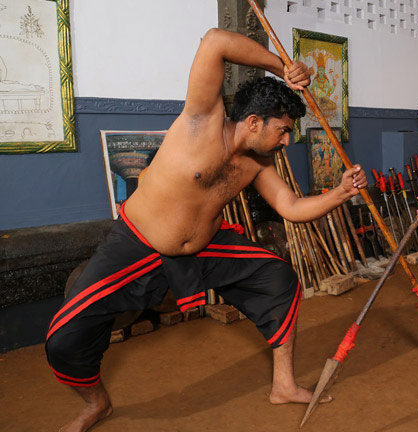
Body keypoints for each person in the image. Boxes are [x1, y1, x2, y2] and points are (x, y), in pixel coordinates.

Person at [45, 28, 367, 432]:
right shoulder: (202, 120)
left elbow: (292, 208)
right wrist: (282, 66)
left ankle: (283, 384)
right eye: (282, 130)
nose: (287, 141)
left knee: (278, 276)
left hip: (203, 247)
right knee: (64, 335)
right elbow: (215, 41)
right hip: (137, 244)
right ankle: (96, 404)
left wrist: (340, 192)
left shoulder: (258, 164)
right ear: (253, 121)